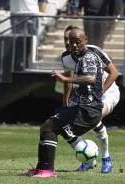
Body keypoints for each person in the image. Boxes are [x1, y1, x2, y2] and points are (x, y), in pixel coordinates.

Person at [20, 28, 104, 178]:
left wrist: (66, 78)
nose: (74, 45)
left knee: (49, 126)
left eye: (78, 42)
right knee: (47, 127)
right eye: (71, 42)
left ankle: (48, 171)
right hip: (82, 107)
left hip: (88, 110)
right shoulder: (79, 58)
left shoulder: (89, 57)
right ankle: (41, 169)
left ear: (86, 40)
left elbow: (90, 78)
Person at [62, 25, 120, 173]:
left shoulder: (93, 51)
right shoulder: (66, 58)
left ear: (82, 40)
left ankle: (106, 158)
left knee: (95, 118)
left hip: (108, 91)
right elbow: (68, 80)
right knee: (63, 125)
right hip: (84, 95)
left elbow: (114, 73)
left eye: (75, 40)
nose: (70, 43)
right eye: (67, 40)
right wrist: (65, 103)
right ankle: (89, 160)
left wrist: (99, 93)